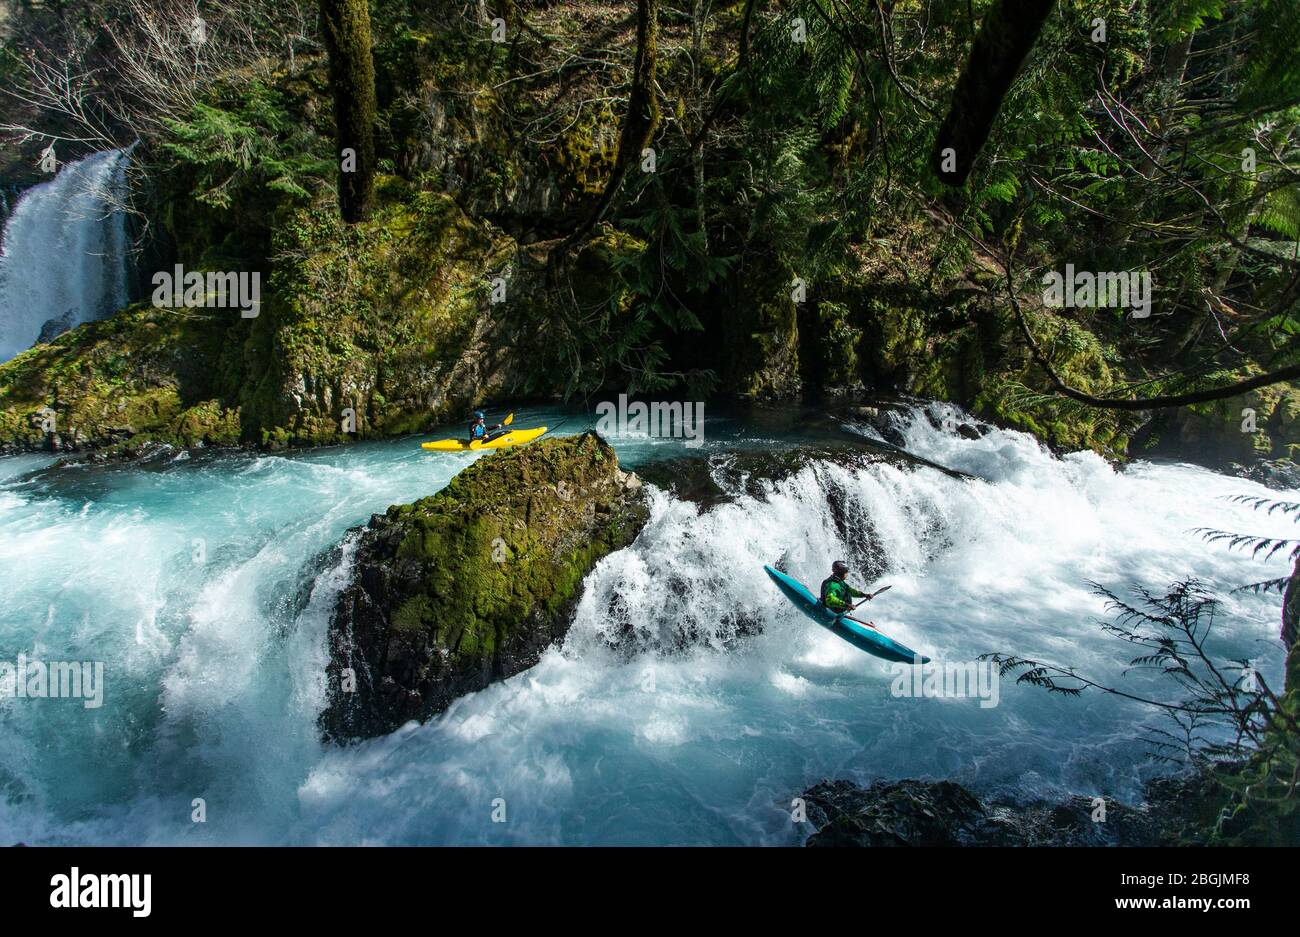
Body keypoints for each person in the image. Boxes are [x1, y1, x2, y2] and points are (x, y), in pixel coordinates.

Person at [819, 560, 875, 626]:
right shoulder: (833, 585)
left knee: (847, 592)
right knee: (845, 595)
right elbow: (830, 600)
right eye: (846, 572)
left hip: (838, 611)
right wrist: (847, 605)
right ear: (841, 573)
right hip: (832, 611)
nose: (847, 574)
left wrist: (865, 595)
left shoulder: (839, 581)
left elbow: (851, 591)